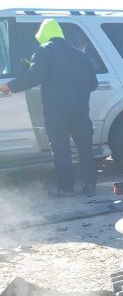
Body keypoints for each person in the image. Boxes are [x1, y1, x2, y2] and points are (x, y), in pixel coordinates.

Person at [0, 19, 98, 197]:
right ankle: (90, 185)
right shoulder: (80, 55)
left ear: (44, 35)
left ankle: (66, 189)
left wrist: (10, 86)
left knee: (61, 149)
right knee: (85, 147)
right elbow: (94, 84)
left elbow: (33, 77)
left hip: (56, 111)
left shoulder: (43, 51)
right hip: (81, 111)